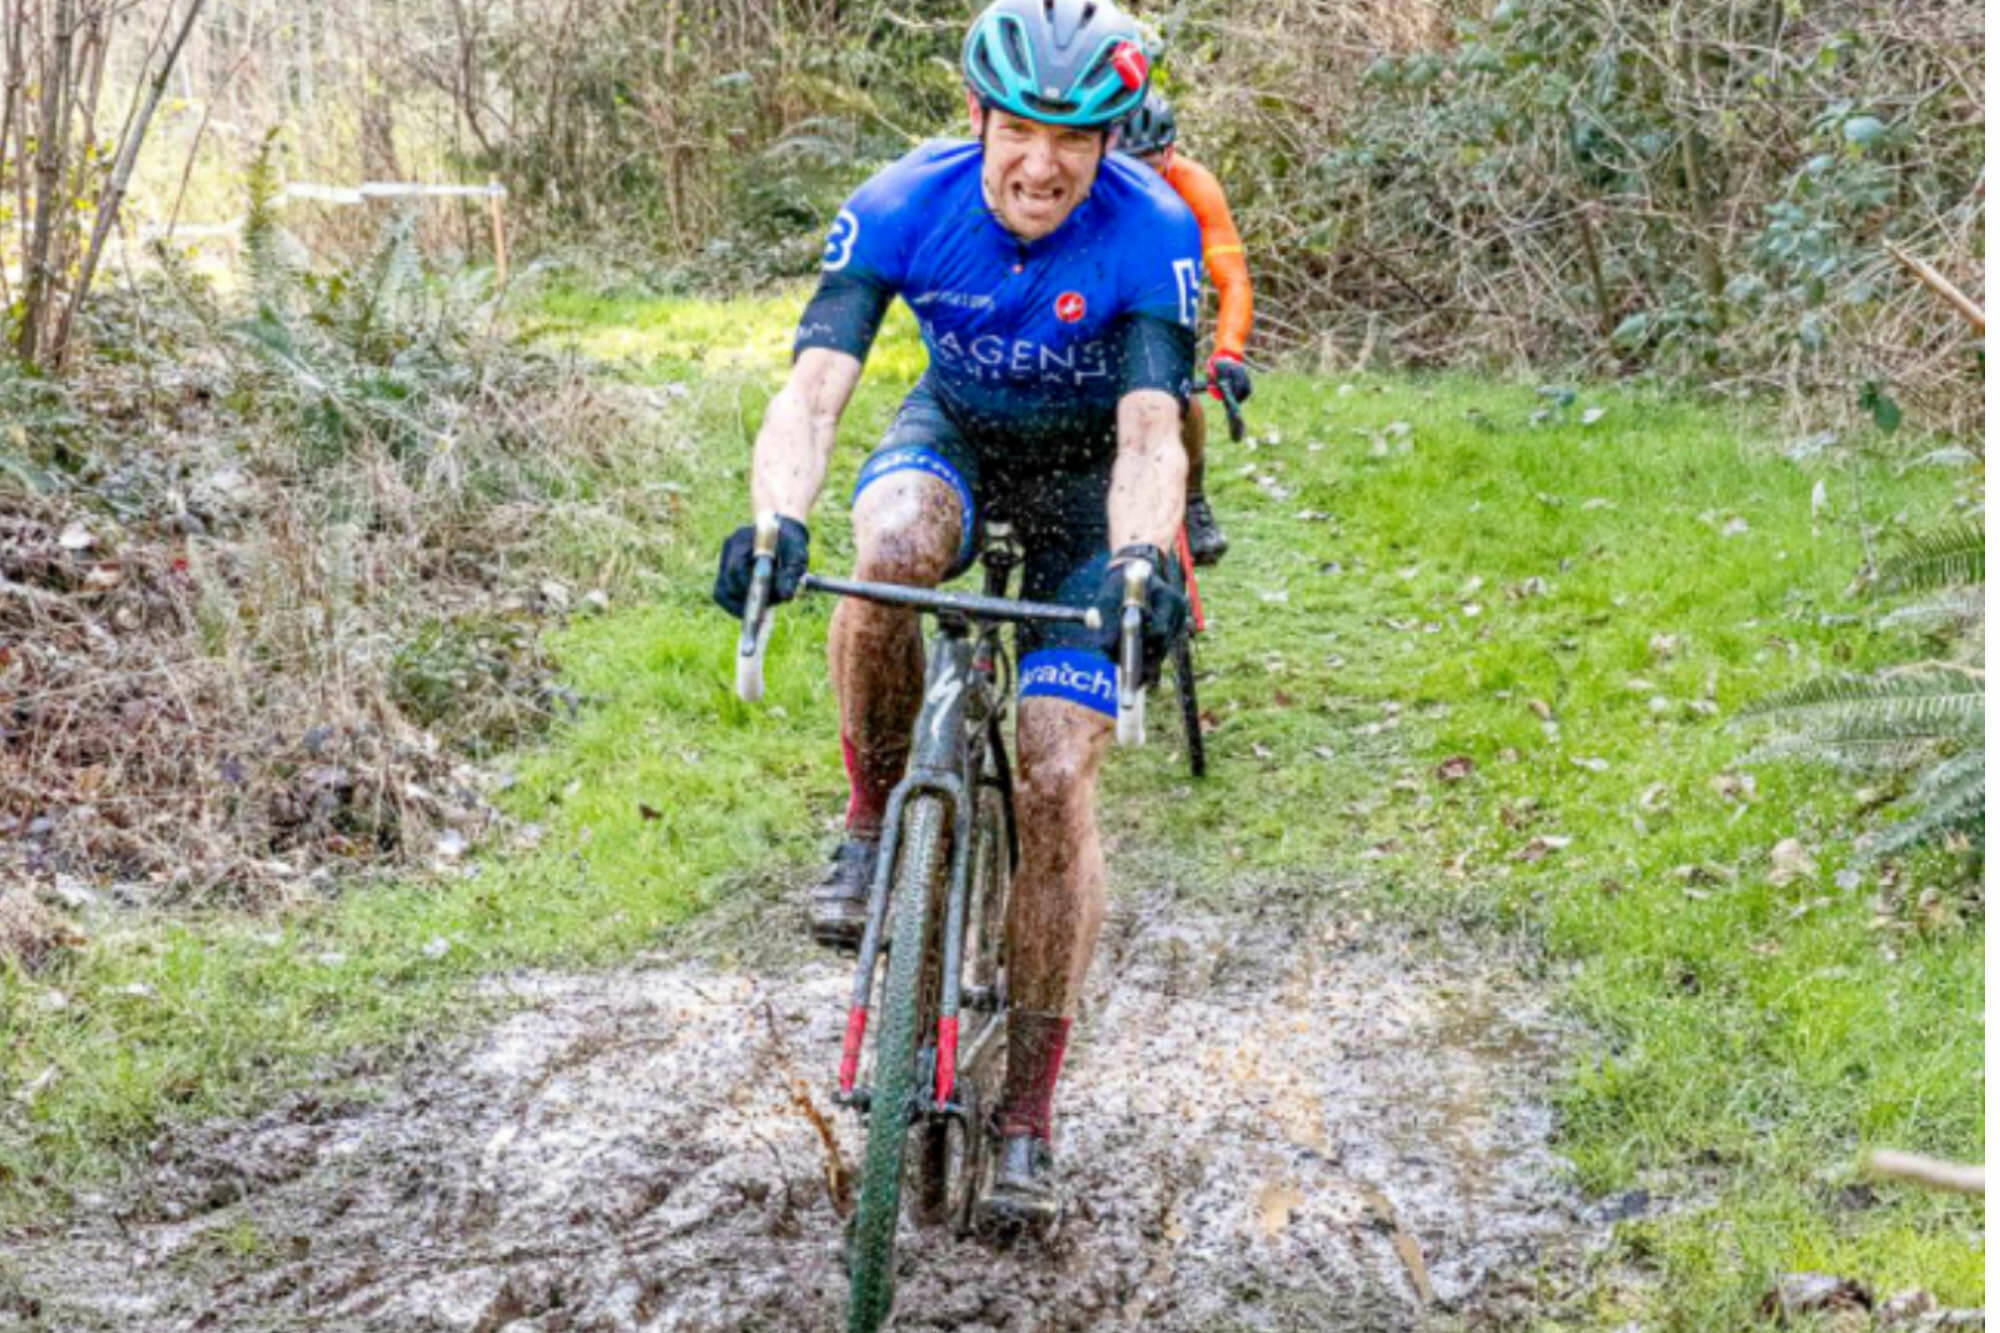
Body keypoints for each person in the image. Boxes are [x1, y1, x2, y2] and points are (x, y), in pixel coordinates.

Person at [711, 0, 1198, 1225]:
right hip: (960, 441)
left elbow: (1150, 434)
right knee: (889, 548)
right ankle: (874, 816)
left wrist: (1143, 556)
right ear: (976, 115)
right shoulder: (899, 203)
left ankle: (1028, 1110)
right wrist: (775, 519)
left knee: (1051, 775)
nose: (1041, 164)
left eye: (1074, 140)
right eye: (1019, 130)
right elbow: (814, 394)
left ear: (1110, 143)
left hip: (1094, 497)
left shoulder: (1153, 233)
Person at [1115, 90, 1254, 566]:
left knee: (1180, 393)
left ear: (1170, 154)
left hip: (1165, 296)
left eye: (1149, 167)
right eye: (1122, 167)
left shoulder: (1194, 186)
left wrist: (1228, 353)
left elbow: (1232, 280)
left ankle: (1192, 500)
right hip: (1104, 289)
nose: (1137, 181)